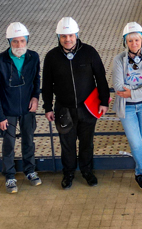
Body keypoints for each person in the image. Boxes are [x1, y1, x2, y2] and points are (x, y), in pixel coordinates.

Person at [42, 17, 110, 190]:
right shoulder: (51, 57)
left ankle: (87, 171)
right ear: (58, 37)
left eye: (71, 35)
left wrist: (103, 101)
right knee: (67, 145)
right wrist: (48, 107)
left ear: (77, 35)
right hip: (64, 109)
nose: (67, 39)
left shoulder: (89, 52)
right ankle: (69, 173)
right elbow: (47, 84)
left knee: (87, 143)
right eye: (64, 36)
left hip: (87, 108)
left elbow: (101, 77)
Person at [0, 22, 42, 194]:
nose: (19, 45)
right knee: (8, 143)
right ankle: (10, 176)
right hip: (7, 111)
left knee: (28, 140)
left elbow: (36, 80)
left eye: (22, 41)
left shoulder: (33, 57)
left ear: (27, 41)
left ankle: (30, 171)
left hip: (27, 108)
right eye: (15, 42)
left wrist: (35, 97)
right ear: (9, 42)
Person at [112, 22, 142, 193]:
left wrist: (131, 92)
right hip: (128, 108)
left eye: (137, 40)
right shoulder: (118, 60)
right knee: (135, 141)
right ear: (125, 42)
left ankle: (138, 172)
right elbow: (118, 87)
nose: (134, 44)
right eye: (130, 41)